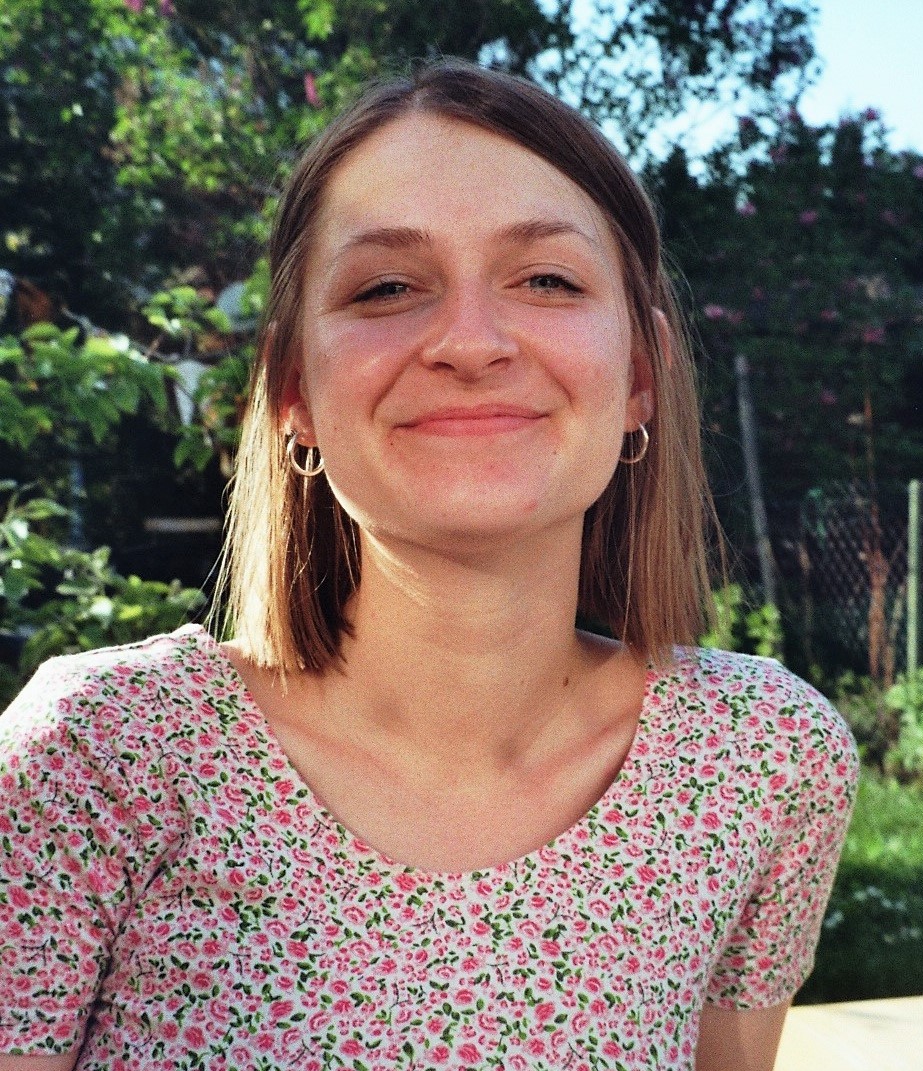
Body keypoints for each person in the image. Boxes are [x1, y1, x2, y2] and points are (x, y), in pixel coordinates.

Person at [0, 61, 858, 1071]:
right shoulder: (101, 757)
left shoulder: (762, 764)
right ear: (293, 392)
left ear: (638, 377)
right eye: (387, 287)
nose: (469, 342)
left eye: (547, 279)